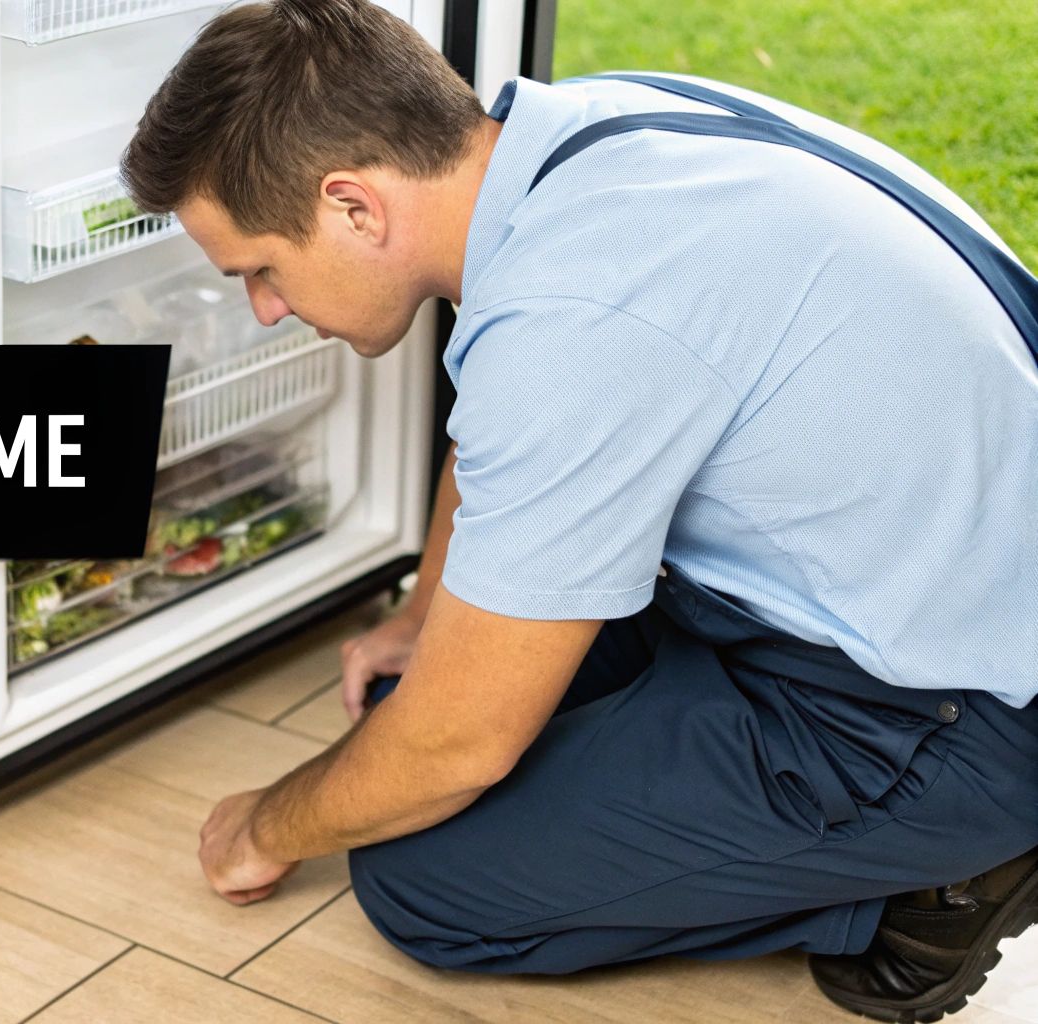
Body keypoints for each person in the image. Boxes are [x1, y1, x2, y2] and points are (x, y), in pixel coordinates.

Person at [119, 1, 1038, 1020]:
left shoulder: (581, 312)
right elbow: (502, 422)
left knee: (420, 874)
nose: (263, 308)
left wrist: (265, 827)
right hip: (886, 589)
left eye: (258, 269)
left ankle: (932, 884)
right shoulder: (575, 139)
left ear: (351, 207)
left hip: (950, 713)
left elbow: (457, 748)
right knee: (409, 717)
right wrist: (425, 615)